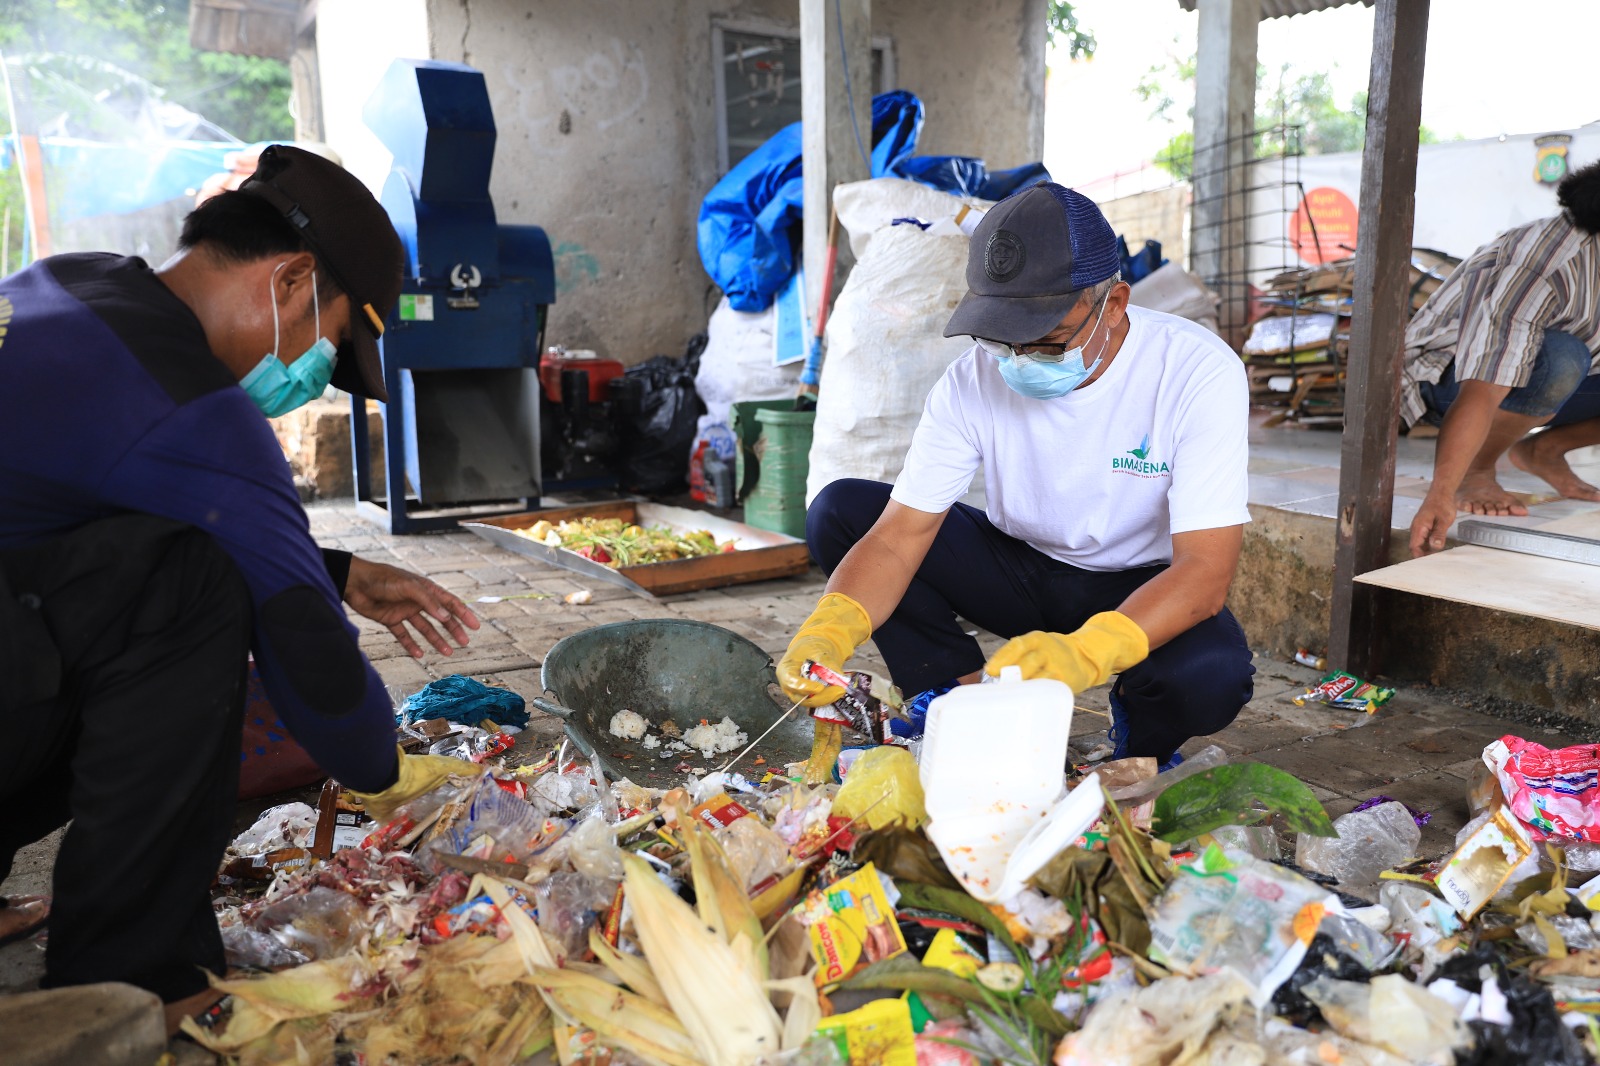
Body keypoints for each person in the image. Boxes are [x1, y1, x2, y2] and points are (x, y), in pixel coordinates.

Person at [0, 145, 480, 1033]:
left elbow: (80, 531)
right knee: (199, 590)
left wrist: (331, 569)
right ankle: (134, 974)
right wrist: (386, 769)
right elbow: (316, 670)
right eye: (330, 346)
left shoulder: (77, 285)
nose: (308, 383)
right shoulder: (194, 408)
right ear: (291, 280)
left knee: (159, 576)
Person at [776, 183, 1255, 768]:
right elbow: (901, 536)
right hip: (1016, 564)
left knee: (1211, 673)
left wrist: (1087, 653)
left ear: (1115, 302)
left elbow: (1205, 571)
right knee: (842, 511)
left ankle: (1139, 749)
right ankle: (952, 701)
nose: (1019, 359)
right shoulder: (972, 379)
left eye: (1049, 340)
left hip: (1133, 582)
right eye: (1002, 338)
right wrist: (830, 628)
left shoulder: (1196, 372)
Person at [1406, 160, 1600, 556]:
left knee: (1567, 361)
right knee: (1563, 358)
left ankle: (1543, 450)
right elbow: (1482, 386)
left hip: (1544, 378)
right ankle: (1478, 466)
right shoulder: (1543, 263)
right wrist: (1443, 492)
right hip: (1445, 376)